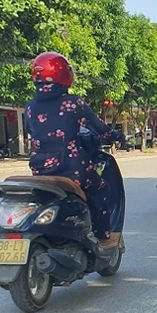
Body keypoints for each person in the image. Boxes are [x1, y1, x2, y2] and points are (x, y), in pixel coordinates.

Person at [23, 51, 126, 248]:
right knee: (100, 190)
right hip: (71, 168)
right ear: (65, 75)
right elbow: (100, 130)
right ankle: (103, 238)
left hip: (40, 170)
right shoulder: (73, 103)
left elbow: (32, 131)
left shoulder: (30, 107)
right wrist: (117, 136)